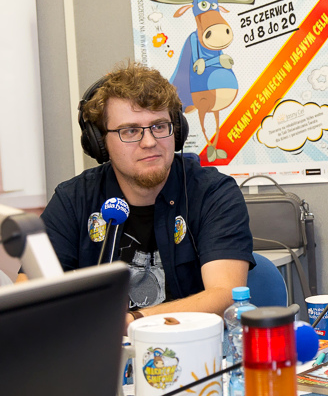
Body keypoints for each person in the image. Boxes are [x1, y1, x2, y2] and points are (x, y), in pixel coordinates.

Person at [32, 62, 253, 326]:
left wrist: (131, 322)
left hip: (190, 344)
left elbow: (225, 295)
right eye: (130, 131)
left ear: (176, 130)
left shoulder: (212, 193)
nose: (149, 142)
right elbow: (31, 293)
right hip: (102, 348)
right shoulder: (73, 199)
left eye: (159, 126)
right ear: (100, 142)